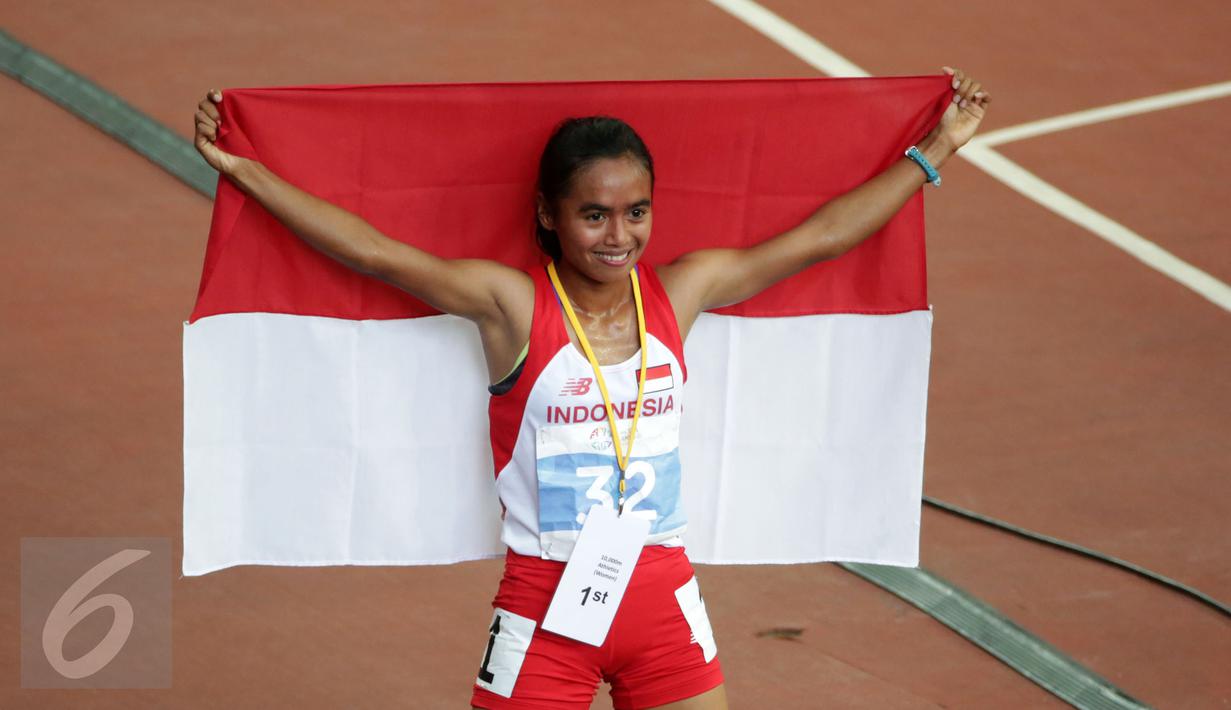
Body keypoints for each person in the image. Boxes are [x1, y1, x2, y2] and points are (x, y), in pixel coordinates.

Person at [193, 67, 989, 710]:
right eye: (594, 216)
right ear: (548, 214)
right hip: (544, 610)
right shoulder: (512, 308)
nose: (619, 237)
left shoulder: (679, 294)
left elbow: (819, 237)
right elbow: (375, 252)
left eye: (635, 212)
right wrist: (245, 171)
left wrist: (933, 153)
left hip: (662, 602)